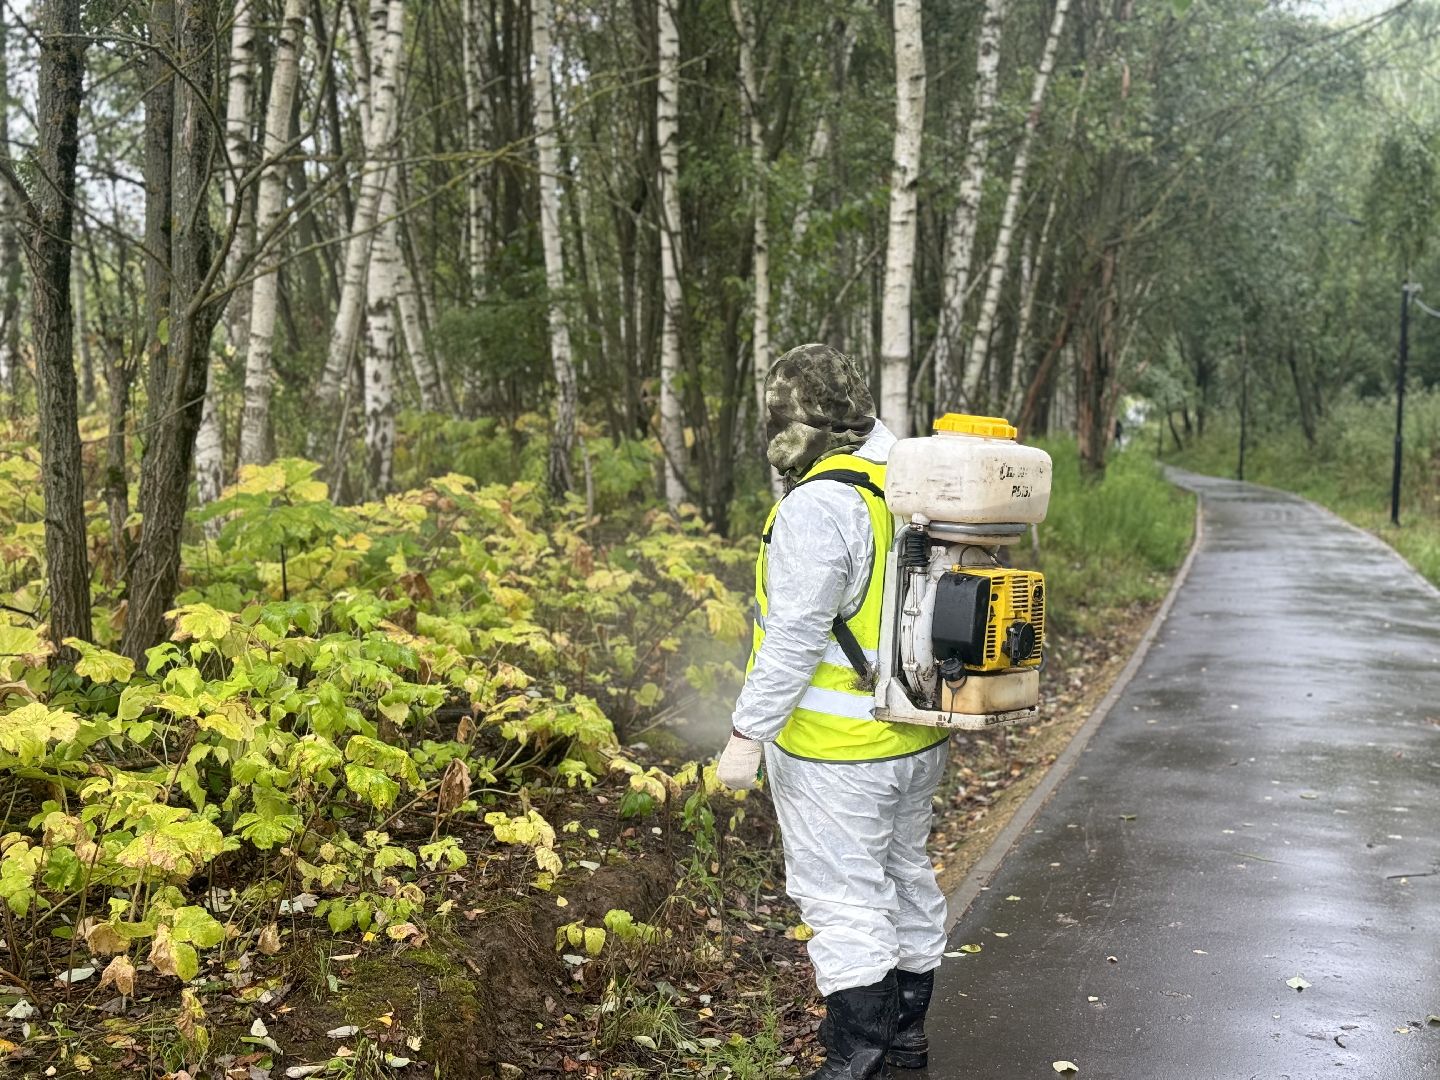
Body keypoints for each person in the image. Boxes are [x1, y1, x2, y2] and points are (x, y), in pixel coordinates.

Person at [716, 344, 951, 1079]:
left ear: (793, 425)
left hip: (836, 755)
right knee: (906, 880)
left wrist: (746, 736)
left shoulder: (819, 506)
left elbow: (791, 640)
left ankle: (861, 1064)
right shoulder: (908, 481)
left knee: (845, 905)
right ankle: (906, 1049)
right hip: (915, 735)